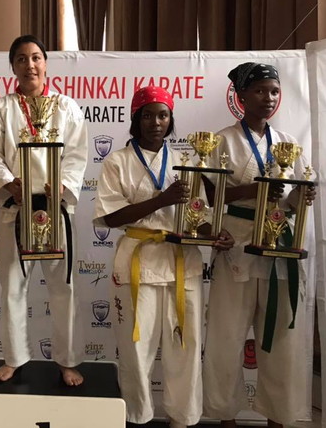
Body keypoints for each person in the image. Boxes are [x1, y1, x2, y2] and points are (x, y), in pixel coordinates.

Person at [93, 86, 234, 428]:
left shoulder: (187, 162)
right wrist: (161, 200)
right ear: (136, 119)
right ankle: (136, 418)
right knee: (135, 349)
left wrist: (214, 234)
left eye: (163, 115)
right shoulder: (117, 161)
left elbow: (197, 215)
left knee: (185, 347)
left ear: (171, 120)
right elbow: (110, 218)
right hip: (137, 262)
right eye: (147, 115)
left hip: (181, 262)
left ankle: (182, 419)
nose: (156, 122)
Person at [202, 63, 316, 428]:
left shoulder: (288, 143)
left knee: (282, 339)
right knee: (225, 338)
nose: (268, 98)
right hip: (236, 245)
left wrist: (301, 196)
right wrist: (255, 189)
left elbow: (291, 201)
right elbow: (208, 196)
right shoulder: (221, 141)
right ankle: (225, 417)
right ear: (241, 96)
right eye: (260, 90)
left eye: (274, 91)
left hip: (279, 247)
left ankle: (278, 418)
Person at [0, 34, 88, 386]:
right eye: (22, 59)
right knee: (12, 287)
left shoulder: (66, 106)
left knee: (63, 288)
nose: (30, 65)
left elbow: (77, 153)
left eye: (36, 57)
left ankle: (68, 360)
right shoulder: (0, 109)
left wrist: (63, 186)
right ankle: (15, 358)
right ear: (13, 67)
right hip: (16, 208)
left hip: (56, 210)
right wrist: (8, 183)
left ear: (46, 63)